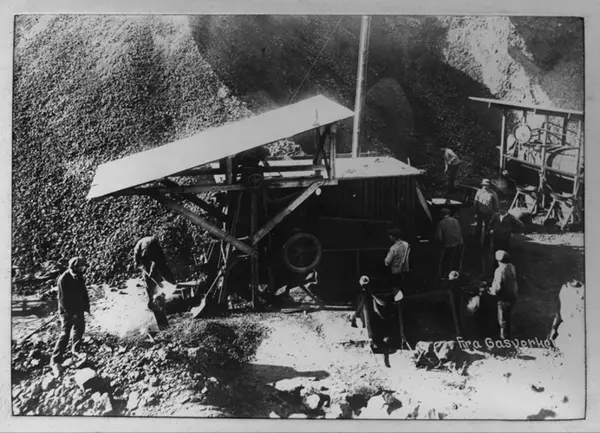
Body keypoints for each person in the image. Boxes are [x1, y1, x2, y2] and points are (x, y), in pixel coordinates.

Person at [51, 257, 90, 373]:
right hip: (66, 310)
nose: (83, 269)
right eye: (81, 267)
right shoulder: (63, 279)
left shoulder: (79, 276)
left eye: (83, 267)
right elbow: (63, 300)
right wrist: (70, 314)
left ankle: (75, 350)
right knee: (65, 333)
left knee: (80, 328)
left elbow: (83, 292)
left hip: (78, 307)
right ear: (74, 267)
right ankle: (55, 360)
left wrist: (86, 307)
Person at [133, 236, 174, 329]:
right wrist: (139, 264)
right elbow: (139, 260)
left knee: (157, 272)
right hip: (150, 249)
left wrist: (151, 271)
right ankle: (155, 299)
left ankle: (160, 295)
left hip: (150, 250)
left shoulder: (144, 247)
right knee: (152, 276)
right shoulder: (143, 246)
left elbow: (156, 261)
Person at [486, 250, 518, 340]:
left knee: (503, 319)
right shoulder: (511, 267)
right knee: (508, 316)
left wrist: (489, 289)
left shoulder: (499, 271)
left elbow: (498, 289)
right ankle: (509, 335)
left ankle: (504, 339)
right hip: (513, 295)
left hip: (504, 298)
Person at [435, 208, 464, 278]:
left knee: (446, 262)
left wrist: (439, 247)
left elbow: (439, 238)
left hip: (449, 245)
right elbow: (460, 231)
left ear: (441, 215)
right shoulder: (456, 221)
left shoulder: (441, 223)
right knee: (456, 261)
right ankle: (455, 277)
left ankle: (444, 277)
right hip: (460, 243)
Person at [473, 179, 500, 246]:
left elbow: (496, 205)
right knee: (478, 228)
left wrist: (495, 215)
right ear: (482, 185)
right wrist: (475, 212)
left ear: (489, 186)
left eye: (487, 185)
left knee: (487, 229)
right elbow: (475, 202)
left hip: (489, 214)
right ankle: (476, 243)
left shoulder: (493, 193)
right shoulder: (479, 192)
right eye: (484, 185)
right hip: (480, 212)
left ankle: (486, 244)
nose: (485, 186)